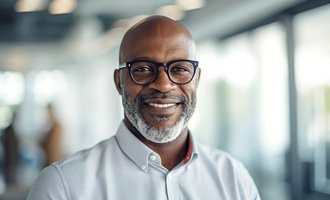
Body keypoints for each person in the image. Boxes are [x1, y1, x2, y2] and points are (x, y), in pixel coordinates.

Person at [26, 15, 261, 200]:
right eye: (142, 69)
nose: (163, 84)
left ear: (196, 80)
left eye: (179, 69)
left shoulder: (233, 176)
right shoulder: (64, 186)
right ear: (119, 82)